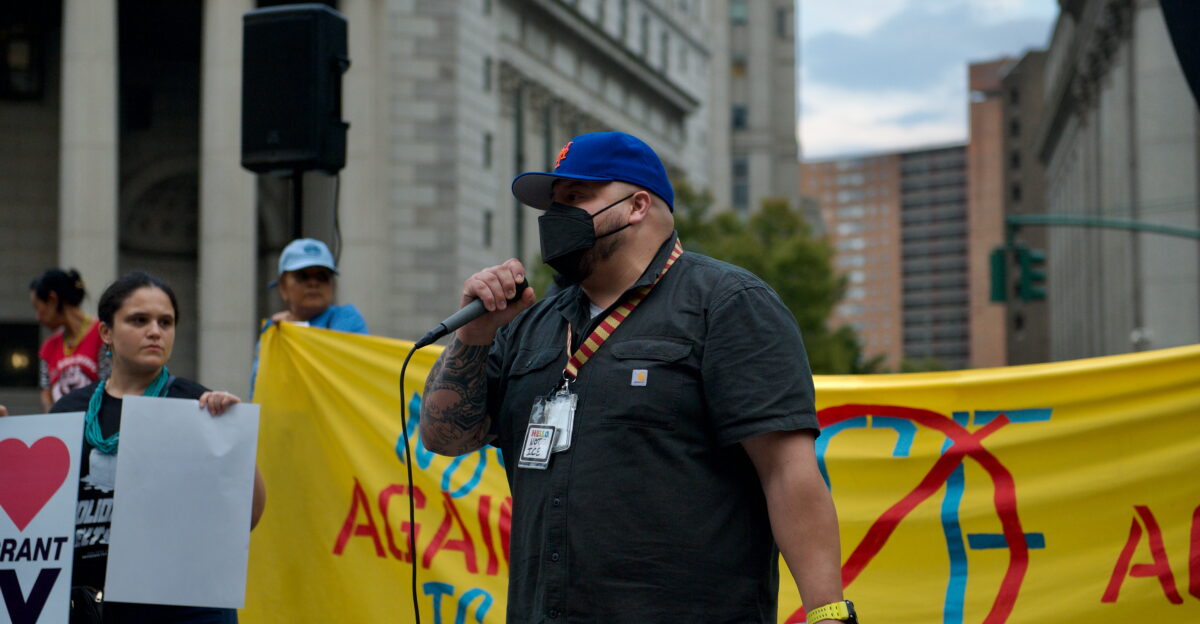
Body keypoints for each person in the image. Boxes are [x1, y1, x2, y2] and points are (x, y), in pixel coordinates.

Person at [420, 132, 856, 623]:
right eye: (553, 203)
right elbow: (444, 437)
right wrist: (473, 337)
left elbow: (787, 472)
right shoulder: (527, 324)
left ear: (637, 205)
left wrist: (828, 614)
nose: (556, 217)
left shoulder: (727, 303)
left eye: (576, 198)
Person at [52, 271, 267, 623]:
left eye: (165, 322)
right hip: (90, 609)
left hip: (186, 609)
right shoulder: (68, 410)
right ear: (106, 332)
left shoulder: (198, 405)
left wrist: (233, 441)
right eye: (139, 320)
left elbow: (249, 514)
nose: (155, 331)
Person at [250, 238, 367, 395]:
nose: (313, 283)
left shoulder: (347, 318)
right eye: (302, 277)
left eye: (322, 277)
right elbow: (260, 387)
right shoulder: (272, 329)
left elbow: (343, 369)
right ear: (283, 287)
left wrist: (294, 331)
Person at [31, 268, 106, 411]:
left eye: (37, 307)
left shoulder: (103, 334)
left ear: (52, 299)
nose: (38, 317)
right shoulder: (47, 348)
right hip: (63, 429)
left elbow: (109, 384)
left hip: (96, 424)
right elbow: (46, 392)